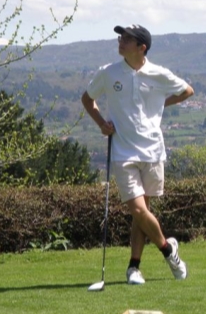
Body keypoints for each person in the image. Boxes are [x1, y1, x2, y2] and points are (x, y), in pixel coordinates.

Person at [81, 24, 195, 285]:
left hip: (153, 150)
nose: (121, 41)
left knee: (142, 213)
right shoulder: (108, 73)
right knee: (137, 208)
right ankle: (169, 250)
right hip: (123, 152)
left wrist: (159, 105)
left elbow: (187, 91)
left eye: (127, 39)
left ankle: (134, 268)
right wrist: (101, 123)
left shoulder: (158, 73)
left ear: (141, 47)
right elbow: (87, 99)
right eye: (121, 37)